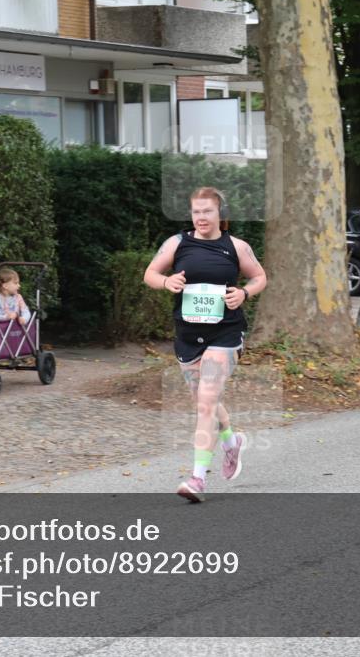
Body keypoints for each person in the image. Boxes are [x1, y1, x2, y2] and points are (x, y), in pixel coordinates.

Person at [144, 187, 267, 502]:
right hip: (187, 336)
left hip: (225, 333)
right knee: (206, 402)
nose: (201, 217)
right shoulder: (177, 243)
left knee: (206, 402)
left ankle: (198, 479)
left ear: (219, 214)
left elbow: (259, 277)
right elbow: (150, 274)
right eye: (196, 212)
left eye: (207, 211)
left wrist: (244, 294)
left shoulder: (236, 247)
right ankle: (230, 441)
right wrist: (166, 282)